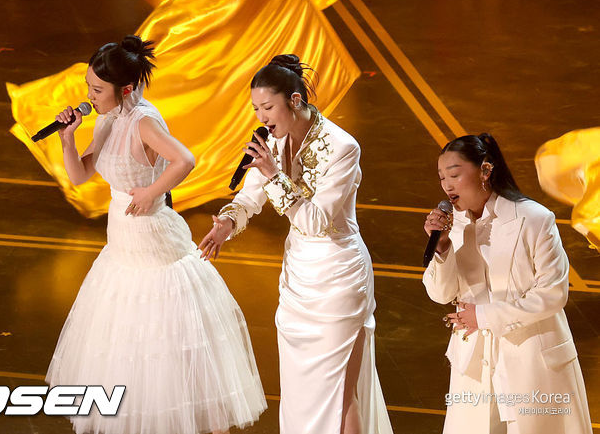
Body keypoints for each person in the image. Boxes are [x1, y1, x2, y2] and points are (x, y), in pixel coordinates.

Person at [46, 35, 266, 434]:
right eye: (88, 87)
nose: (89, 96)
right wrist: (67, 138)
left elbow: (185, 159)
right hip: (123, 244)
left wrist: (152, 192)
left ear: (125, 88)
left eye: (97, 90)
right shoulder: (108, 118)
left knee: (163, 344)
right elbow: (79, 175)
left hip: (154, 242)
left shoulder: (143, 121)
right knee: (126, 343)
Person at [198, 54, 393, 434]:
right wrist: (227, 224)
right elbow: (250, 197)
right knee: (303, 394)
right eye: (256, 109)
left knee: (339, 394)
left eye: (268, 107)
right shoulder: (272, 141)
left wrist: (274, 174)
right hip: (297, 281)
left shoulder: (342, 147)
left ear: (295, 101)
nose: (262, 117)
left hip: (338, 278)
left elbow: (316, 221)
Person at [422, 134, 593, 434]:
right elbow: (441, 293)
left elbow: (553, 293)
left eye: (454, 174)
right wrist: (442, 249)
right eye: (442, 177)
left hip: (532, 359)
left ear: (485, 171)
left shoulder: (534, 219)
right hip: (475, 364)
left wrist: (484, 316)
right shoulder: (454, 226)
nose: (447, 185)